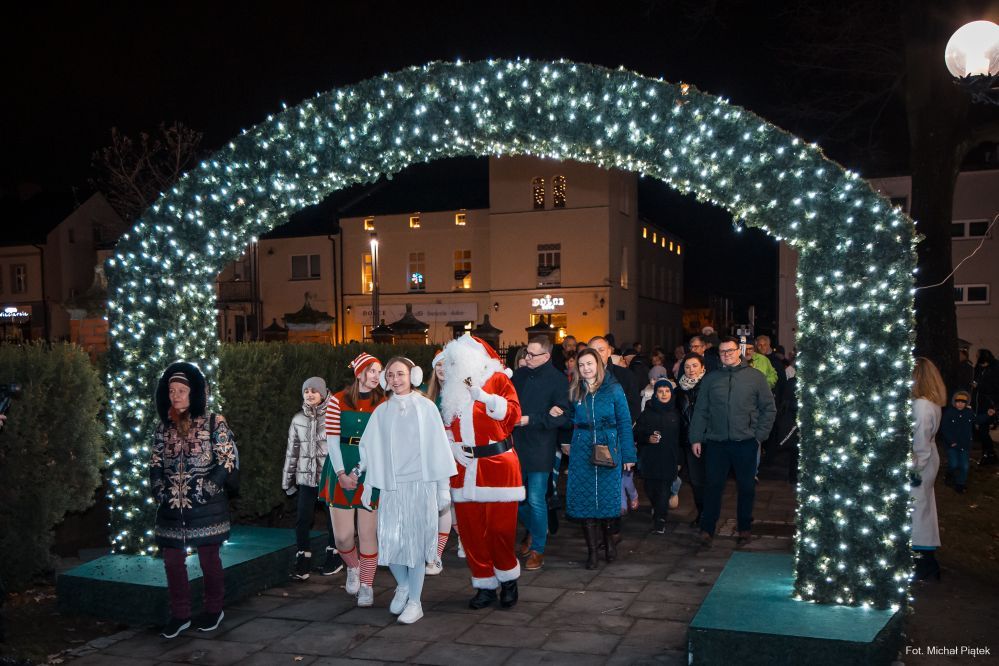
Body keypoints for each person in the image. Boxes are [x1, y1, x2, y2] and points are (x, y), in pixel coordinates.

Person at [357, 357, 457, 623]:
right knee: (390, 542)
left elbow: (439, 448)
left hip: (420, 486)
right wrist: (368, 483)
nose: (395, 380)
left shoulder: (426, 408)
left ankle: (416, 601)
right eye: (390, 375)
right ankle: (403, 585)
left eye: (400, 374)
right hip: (392, 487)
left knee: (415, 546)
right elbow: (369, 448)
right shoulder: (382, 411)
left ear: (412, 375)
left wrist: (442, 488)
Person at [150, 362, 237, 639]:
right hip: (172, 508)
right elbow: (155, 462)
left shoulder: (214, 421)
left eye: (182, 390)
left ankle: (214, 609)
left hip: (205, 507)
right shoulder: (163, 426)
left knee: (209, 558)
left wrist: (207, 489)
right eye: (172, 390)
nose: (176, 395)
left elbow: (227, 460)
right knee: (172, 560)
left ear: (194, 392)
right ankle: (180, 614)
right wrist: (159, 488)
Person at [441, 334, 524, 610]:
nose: (453, 363)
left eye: (458, 358)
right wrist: (452, 447)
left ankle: (508, 579)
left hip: (498, 465)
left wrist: (486, 398)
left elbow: (512, 415)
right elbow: (447, 425)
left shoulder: (498, 379)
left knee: (500, 529)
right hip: (464, 468)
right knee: (471, 532)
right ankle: (485, 584)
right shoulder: (451, 388)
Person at [689, 337, 776, 548]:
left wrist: (759, 436)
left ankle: (744, 528)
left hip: (745, 441)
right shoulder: (711, 379)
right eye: (722, 352)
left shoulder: (755, 378)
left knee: (746, 487)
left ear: (739, 352)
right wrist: (696, 437)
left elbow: (769, 408)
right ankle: (707, 530)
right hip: (717, 442)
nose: (726, 354)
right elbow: (701, 410)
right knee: (713, 487)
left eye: (730, 351)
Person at [318, 352, 386, 607]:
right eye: (372, 371)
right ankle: (353, 567)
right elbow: (332, 441)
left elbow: (379, 442)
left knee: (368, 533)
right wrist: (341, 474)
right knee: (343, 537)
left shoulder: (383, 402)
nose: (376, 376)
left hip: (371, 468)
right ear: (359, 374)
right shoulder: (337, 400)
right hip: (340, 465)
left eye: (379, 372)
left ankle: (367, 585)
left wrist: (358, 471)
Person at [559, 348, 636, 569]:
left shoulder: (614, 389)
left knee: (606, 500)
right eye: (581, 365)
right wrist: (561, 416)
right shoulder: (575, 390)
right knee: (585, 502)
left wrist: (628, 455)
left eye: (589, 364)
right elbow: (569, 419)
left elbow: (624, 422)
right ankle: (592, 552)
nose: (586, 368)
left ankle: (609, 541)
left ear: (598, 364)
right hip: (582, 449)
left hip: (608, 448)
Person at [511, 336, 571, 571]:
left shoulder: (557, 380)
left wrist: (531, 419)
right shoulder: (519, 376)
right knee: (516, 499)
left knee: (536, 499)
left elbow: (562, 415)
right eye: (526, 352)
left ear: (546, 356)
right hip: (516, 445)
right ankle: (537, 531)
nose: (526, 357)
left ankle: (538, 549)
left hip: (541, 447)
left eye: (532, 355)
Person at [283, 376, 341, 580]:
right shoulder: (298, 419)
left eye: (314, 391)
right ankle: (303, 559)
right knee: (302, 518)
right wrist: (287, 481)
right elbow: (292, 452)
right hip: (306, 479)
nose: (310, 394)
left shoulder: (335, 415)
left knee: (333, 518)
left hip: (329, 478)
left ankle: (334, 555)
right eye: (306, 391)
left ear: (323, 393)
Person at [425, 350, 460, 571]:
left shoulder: (459, 392)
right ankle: (435, 554)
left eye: (446, 365)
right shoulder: (426, 395)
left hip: (455, 452)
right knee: (440, 503)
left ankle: (437, 554)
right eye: (438, 365)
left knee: (449, 502)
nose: (441, 369)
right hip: (430, 453)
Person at [911, 357, 946, 581]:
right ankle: (924, 557)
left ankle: (924, 560)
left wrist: (914, 468)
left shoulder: (921, 405)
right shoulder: (931, 403)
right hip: (928, 458)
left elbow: (920, 441)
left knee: (918, 509)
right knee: (923, 507)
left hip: (920, 461)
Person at [634, 379, 681, 534]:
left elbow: (681, 439)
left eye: (667, 391)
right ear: (655, 394)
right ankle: (658, 508)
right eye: (660, 391)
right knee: (650, 488)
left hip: (669, 458)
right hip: (650, 459)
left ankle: (660, 519)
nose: (664, 394)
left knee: (664, 490)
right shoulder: (647, 413)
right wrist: (648, 438)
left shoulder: (676, 413)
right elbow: (636, 433)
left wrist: (680, 460)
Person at [940, 389, 995, 493]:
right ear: (954, 402)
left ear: (966, 403)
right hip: (952, 445)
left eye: (963, 402)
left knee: (964, 466)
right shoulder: (949, 413)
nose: (960, 404)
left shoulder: (969, 412)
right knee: (954, 464)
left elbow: (977, 419)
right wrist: (951, 441)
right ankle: (949, 475)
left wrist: (988, 415)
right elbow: (945, 428)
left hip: (965, 444)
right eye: (958, 402)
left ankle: (960, 484)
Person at [676, 353, 708, 527]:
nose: (691, 370)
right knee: (695, 481)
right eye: (687, 367)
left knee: (709, 480)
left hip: (707, 440)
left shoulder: (709, 386)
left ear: (702, 367)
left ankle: (708, 515)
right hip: (688, 441)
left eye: (695, 366)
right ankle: (701, 514)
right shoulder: (679, 390)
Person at [972, 349, 998, 465]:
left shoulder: (994, 368)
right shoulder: (980, 368)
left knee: (983, 430)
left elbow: (994, 387)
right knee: (982, 430)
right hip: (979, 403)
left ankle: (990, 454)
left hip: (988, 404)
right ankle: (987, 453)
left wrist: (979, 386)